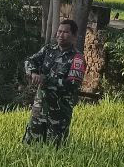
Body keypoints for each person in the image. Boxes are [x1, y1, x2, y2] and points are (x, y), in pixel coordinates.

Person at [23, 18, 86, 146]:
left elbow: (72, 85)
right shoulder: (48, 50)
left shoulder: (77, 58)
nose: (61, 35)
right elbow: (29, 61)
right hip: (40, 108)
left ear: (74, 36)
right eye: (59, 31)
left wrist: (46, 80)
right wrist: (34, 72)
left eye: (65, 32)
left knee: (55, 149)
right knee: (30, 145)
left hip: (59, 112)